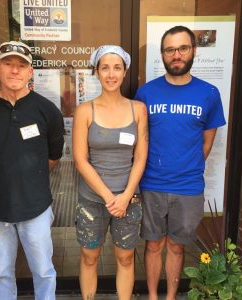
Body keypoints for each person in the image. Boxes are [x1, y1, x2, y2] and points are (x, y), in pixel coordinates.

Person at [134, 26, 226, 300]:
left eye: (182, 48)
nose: (176, 55)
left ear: (193, 51)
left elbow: (207, 143)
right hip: (151, 185)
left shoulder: (209, 93)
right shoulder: (146, 93)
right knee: (153, 246)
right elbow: (140, 141)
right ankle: (153, 296)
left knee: (176, 247)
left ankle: (171, 297)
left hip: (188, 188)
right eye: (170, 49)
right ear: (162, 54)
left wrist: (186, 168)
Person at [0, 41, 64, 300]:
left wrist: (28, 179)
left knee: (43, 270)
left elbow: (54, 155)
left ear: (30, 72)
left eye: (21, 65)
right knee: (1, 271)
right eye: (8, 64)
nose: (14, 71)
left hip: (36, 209)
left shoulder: (46, 110)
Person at [72, 45, 148, 300]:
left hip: (129, 199)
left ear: (125, 71)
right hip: (93, 201)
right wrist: (109, 197)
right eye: (105, 67)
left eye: (117, 67)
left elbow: (140, 156)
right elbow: (81, 160)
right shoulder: (85, 110)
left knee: (125, 258)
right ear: (97, 71)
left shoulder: (138, 109)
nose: (111, 74)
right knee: (89, 256)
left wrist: (125, 196)